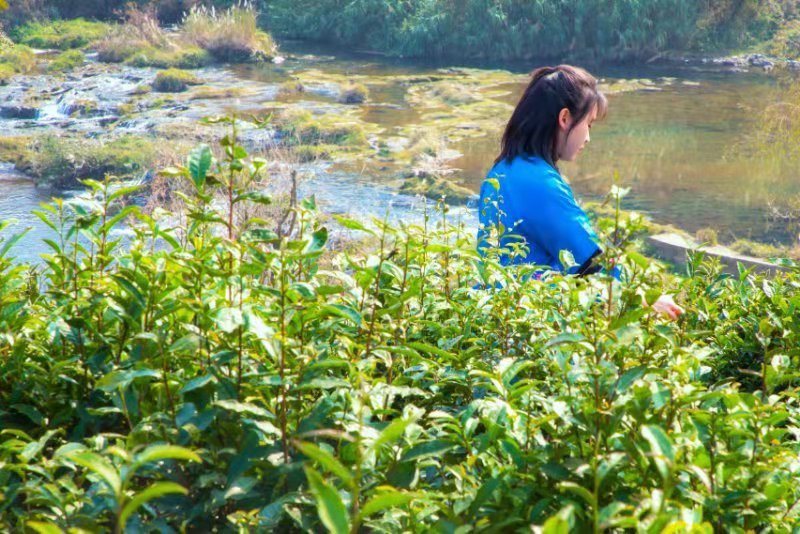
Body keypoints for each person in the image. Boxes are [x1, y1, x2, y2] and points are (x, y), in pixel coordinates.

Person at [477, 65, 683, 320]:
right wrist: (645, 299)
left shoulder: (502, 171)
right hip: (528, 323)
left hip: (495, 314)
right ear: (564, 119)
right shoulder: (540, 183)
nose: (588, 138)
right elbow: (588, 261)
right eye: (589, 124)